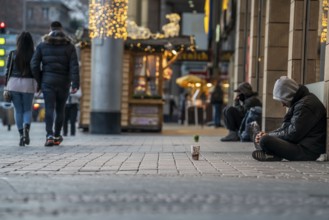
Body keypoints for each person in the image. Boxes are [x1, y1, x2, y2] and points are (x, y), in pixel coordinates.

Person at [252, 76, 326, 161]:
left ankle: (270, 152)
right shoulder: (300, 102)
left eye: (283, 100)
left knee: (265, 140)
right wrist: (268, 134)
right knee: (264, 138)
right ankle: (272, 154)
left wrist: (268, 136)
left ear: (289, 95)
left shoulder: (305, 105)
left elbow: (292, 134)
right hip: (301, 145)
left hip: (307, 151)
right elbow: (286, 128)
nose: (282, 105)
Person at [31, 21, 79, 147]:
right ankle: (57, 136)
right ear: (62, 29)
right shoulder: (70, 46)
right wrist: (75, 84)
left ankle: (49, 136)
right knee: (60, 109)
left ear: (50, 29)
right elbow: (74, 66)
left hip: (47, 82)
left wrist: (39, 80)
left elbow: (34, 64)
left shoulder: (42, 45)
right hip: (64, 82)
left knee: (49, 108)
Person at [4, 32, 37, 146]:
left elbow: (7, 71)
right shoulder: (34, 54)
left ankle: (21, 135)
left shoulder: (13, 54)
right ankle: (26, 131)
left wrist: (6, 86)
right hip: (29, 83)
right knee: (27, 110)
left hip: (13, 84)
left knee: (18, 110)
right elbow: (36, 70)